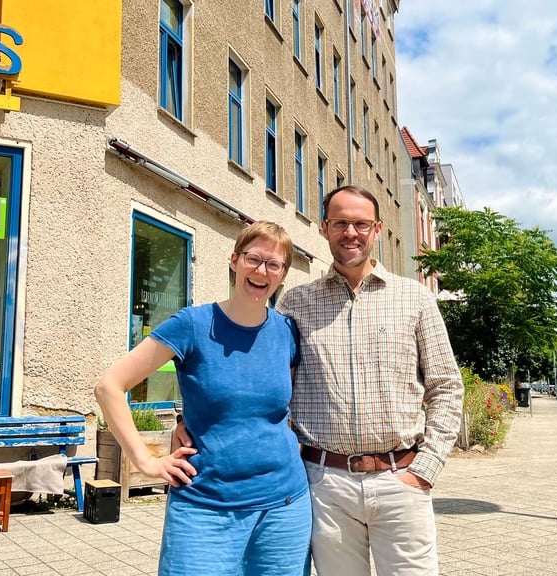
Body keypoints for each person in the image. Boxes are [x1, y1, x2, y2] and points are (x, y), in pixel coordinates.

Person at [176, 185, 463, 575]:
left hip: (401, 480)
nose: (351, 233)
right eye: (341, 223)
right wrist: (189, 419)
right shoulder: (296, 302)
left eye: (361, 224)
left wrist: (424, 470)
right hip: (326, 485)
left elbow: (446, 386)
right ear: (326, 228)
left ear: (377, 229)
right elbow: (254, 373)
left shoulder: (414, 298)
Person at [94, 221, 310, 576]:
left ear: (283, 273)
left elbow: (272, 408)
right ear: (234, 260)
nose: (261, 271)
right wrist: (146, 462)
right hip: (205, 507)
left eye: (274, 264)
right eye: (253, 258)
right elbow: (110, 386)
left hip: (284, 507)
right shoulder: (193, 324)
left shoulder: (286, 332)